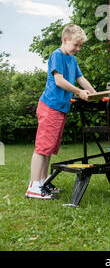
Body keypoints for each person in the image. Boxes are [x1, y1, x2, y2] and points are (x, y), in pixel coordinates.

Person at [25, 24, 96, 200]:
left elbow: (81, 78)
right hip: (50, 107)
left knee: (48, 148)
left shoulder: (73, 60)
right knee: (42, 148)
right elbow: (59, 80)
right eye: (76, 45)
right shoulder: (57, 55)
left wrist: (95, 94)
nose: (78, 49)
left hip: (60, 109)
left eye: (80, 46)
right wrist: (79, 92)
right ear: (65, 40)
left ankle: (43, 182)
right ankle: (33, 186)